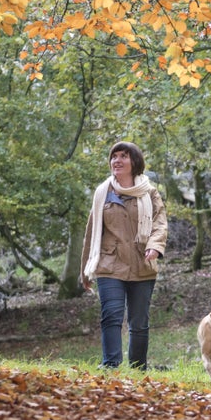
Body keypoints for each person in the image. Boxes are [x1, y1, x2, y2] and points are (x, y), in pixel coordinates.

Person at [80, 141, 168, 369]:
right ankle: (110, 364)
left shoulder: (149, 192)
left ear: (135, 161)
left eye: (123, 156)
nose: (116, 161)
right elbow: (91, 234)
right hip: (109, 264)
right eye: (114, 156)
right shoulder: (103, 193)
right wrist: (85, 270)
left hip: (142, 264)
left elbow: (160, 222)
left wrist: (155, 245)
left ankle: (138, 368)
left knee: (139, 322)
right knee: (111, 314)